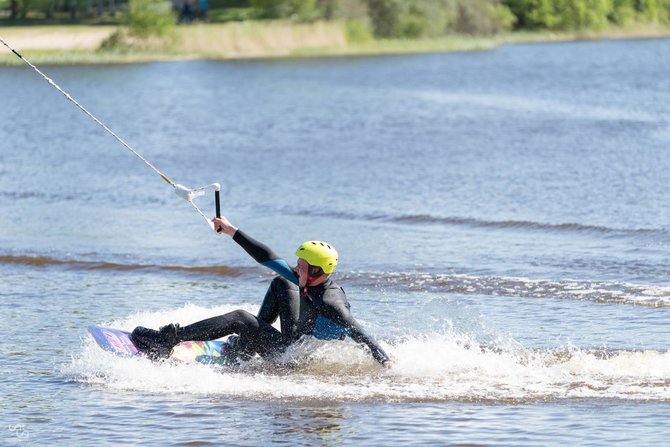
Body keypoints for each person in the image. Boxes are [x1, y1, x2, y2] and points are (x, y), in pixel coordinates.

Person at [130, 215, 394, 368]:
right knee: (281, 281)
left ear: (314, 272)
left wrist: (385, 361)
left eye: (300, 266)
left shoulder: (332, 302)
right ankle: (245, 347)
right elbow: (268, 257)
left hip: (293, 357)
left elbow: (359, 332)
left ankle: (169, 341)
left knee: (241, 318)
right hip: (295, 337)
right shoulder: (309, 280)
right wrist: (231, 230)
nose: (296, 268)